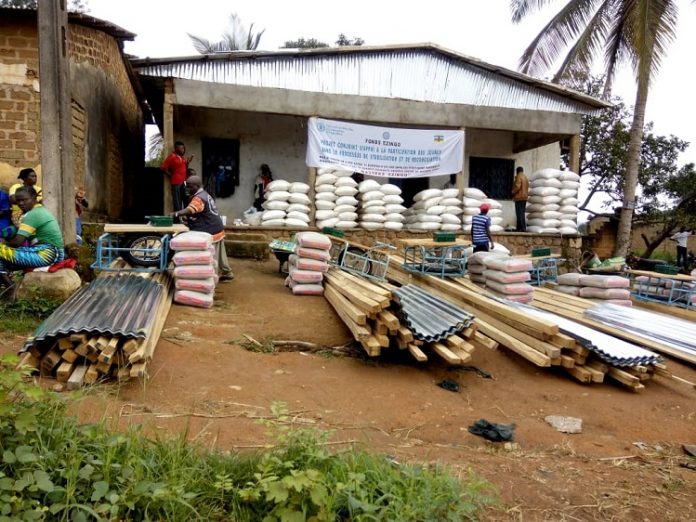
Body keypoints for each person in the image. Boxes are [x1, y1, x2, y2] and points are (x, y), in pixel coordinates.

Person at [0, 186, 64, 300]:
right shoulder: (37, 211)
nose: (21, 203)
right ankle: (10, 287)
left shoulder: (34, 214)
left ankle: (10, 287)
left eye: (25, 200)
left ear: (34, 198)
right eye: (19, 200)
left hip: (47, 254)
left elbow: (17, 242)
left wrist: (4, 242)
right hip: (45, 252)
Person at [172, 175, 233, 281]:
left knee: (212, 258)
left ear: (196, 186)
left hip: (210, 231)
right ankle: (227, 273)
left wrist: (176, 214)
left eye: (189, 187)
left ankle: (211, 280)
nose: (187, 189)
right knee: (221, 255)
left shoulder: (199, 198)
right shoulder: (204, 194)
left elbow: (191, 209)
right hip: (216, 228)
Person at [161, 141, 193, 212]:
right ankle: (178, 218)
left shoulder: (182, 158)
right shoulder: (172, 157)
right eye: (181, 148)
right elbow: (163, 167)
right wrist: (171, 175)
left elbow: (185, 168)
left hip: (184, 181)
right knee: (177, 201)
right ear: (176, 148)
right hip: (176, 182)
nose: (183, 150)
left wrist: (187, 163)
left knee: (186, 198)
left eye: (183, 148)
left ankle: (186, 216)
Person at [511, 166, 529, 232]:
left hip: (519, 197)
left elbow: (517, 186)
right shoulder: (525, 177)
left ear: (517, 171)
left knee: (519, 213)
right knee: (522, 213)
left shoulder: (519, 176)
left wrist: (512, 192)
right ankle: (521, 228)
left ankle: (521, 228)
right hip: (524, 197)